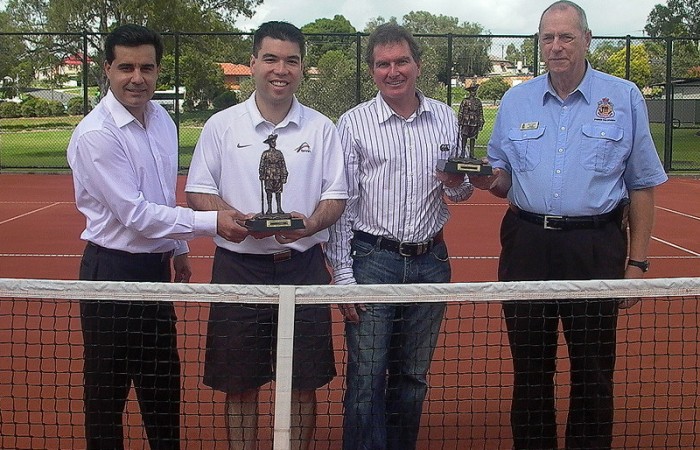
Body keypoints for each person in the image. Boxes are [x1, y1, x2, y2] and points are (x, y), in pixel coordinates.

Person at [471, 2, 668, 448]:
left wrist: (637, 262)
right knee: (530, 369)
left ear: (587, 39)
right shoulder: (515, 98)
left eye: (566, 37)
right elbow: (502, 180)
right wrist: (484, 176)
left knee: (593, 370)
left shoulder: (624, 97)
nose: (556, 47)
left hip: (595, 246)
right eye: (547, 38)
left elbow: (641, 184)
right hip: (527, 244)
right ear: (539, 42)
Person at [66, 24, 242, 450]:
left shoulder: (162, 118)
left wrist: (178, 249)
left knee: (162, 385)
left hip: (153, 271)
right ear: (107, 69)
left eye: (146, 67)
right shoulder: (96, 135)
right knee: (106, 393)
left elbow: (163, 192)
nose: (137, 77)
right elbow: (136, 215)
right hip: (110, 271)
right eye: (125, 67)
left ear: (159, 70)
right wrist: (210, 223)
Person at [184, 21, 347, 450]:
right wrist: (230, 217)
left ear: (301, 66)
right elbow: (199, 190)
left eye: (291, 60)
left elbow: (336, 199)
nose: (281, 69)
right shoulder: (221, 126)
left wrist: (308, 224)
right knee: (240, 383)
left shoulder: (322, 128)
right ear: (253, 63)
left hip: (304, 268)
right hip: (238, 268)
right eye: (271, 58)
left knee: (302, 383)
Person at [326, 23, 475, 450]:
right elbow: (343, 205)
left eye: (401, 61)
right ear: (373, 70)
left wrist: (453, 183)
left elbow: (460, 192)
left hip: (431, 263)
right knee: (367, 377)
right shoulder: (353, 124)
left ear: (418, 65)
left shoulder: (446, 118)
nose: (393, 71)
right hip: (373, 259)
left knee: (412, 378)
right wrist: (343, 276)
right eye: (383, 64)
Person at [259, 133, 288, 215]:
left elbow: (283, 165)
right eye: (272, 141)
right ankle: (269, 209)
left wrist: (284, 176)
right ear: (269, 143)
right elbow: (262, 165)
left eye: (274, 141)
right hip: (268, 175)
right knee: (269, 192)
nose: (274, 143)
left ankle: (279, 208)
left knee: (278, 192)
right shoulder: (265, 153)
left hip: (277, 175)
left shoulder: (279, 153)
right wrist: (261, 174)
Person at [457, 82, 485, 158]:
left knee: (473, 138)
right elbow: (461, 111)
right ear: (469, 92)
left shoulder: (478, 101)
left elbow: (480, 112)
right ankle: (462, 153)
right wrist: (459, 120)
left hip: (474, 121)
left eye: (475, 91)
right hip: (466, 120)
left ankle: (472, 154)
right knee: (464, 137)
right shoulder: (465, 101)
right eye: (472, 91)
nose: (473, 93)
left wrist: (481, 121)